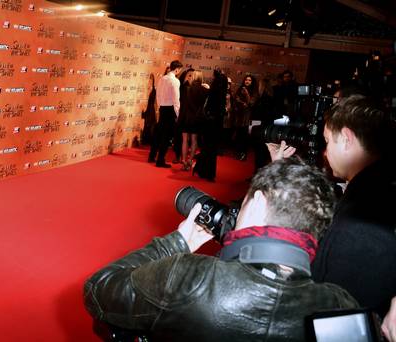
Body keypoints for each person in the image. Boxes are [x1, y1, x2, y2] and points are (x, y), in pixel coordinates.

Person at [84, 158, 358, 341]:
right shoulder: (341, 307)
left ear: (259, 204)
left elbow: (98, 289)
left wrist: (176, 243)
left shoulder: (190, 278)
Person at [310, 94, 396, 316]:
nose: (325, 152)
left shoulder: (364, 220)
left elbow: (340, 313)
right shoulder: (375, 187)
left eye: (328, 141)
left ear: (347, 139)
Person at [193, 69, 227, 181]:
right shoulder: (221, 95)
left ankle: (202, 170)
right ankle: (207, 173)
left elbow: (207, 108)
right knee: (211, 150)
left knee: (207, 148)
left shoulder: (213, 92)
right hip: (215, 125)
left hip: (209, 124)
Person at [148, 60, 183, 168]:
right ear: (177, 69)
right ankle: (160, 160)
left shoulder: (162, 79)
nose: (179, 72)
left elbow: (158, 95)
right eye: (179, 70)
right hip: (170, 110)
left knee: (158, 134)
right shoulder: (175, 81)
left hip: (162, 108)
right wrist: (177, 114)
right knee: (166, 136)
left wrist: (160, 107)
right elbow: (176, 100)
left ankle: (152, 156)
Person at [177, 70, 207, 171]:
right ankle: (190, 161)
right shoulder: (204, 90)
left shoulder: (186, 88)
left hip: (186, 117)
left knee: (185, 140)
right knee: (194, 140)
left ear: (193, 77)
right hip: (196, 118)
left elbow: (183, 105)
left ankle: (184, 161)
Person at [232, 75, 258, 161]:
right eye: (246, 79)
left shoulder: (254, 91)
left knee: (244, 136)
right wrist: (240, 103)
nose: (247, 81)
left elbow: (251, 103)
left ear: (252, 82)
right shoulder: (240, 89)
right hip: (238, 116)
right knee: (238, 135)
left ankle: (243, 154)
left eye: (249, 80)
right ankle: (237, 152)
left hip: (247, 117)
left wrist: (246, 93)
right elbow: (236, 100)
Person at [141, 74, 157, 145]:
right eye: (149, 79)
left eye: (151, 79)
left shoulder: (154, 89)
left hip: (151, 108)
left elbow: (155, 101)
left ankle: (150, 140)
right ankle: (145, 139)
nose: (150, 80)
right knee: (146, 124)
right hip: (147, 107)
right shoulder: (145, 89)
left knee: (151, 124)